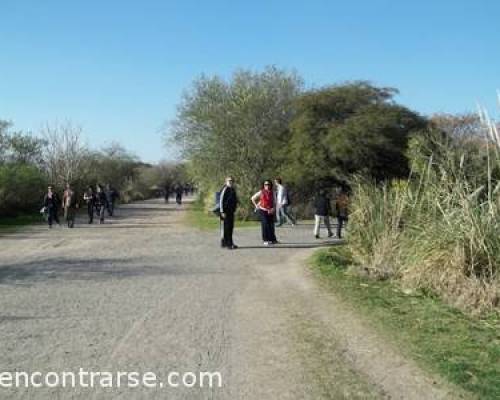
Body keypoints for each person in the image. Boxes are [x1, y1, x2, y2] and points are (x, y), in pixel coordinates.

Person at [251, 180, 278, 245]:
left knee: (271, 225)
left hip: (270, 210)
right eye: (265, 184)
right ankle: (265, 239)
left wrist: (273, 209)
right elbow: (252, 198)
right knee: (265, 224)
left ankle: (271, 239)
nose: (267, 186)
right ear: (263, 185)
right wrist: (256, 205)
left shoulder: (273, 192)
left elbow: (275, 202)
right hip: (263, 210)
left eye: (268, 184)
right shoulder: (261, 192)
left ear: (270, 185)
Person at [219, 176, 238, 249]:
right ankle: (228, 244)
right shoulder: (225, 189)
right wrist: (222, 212)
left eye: (232, 181)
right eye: (229, 181)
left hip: (231, 212)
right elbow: (221, 201)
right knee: (226, 228)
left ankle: (229, 242)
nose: (231, 182)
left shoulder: (232, 189)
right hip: (225, 212)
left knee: (230, 228)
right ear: (226, 182)